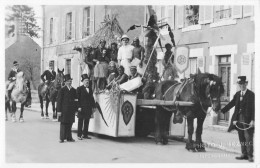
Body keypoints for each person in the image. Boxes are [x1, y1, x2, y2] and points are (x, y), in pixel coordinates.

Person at [221, 76, 255, 162]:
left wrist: (253, 120)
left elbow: (254, 108)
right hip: (238, 119)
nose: (241, 86)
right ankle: (244, 154)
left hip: (247, 119)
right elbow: (231, 103)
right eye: (240, 84)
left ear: (246, 84)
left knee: (248, 137)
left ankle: (250, 155)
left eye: (243, 84)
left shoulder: (251, 95)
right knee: (241, 137)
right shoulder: (237, 94)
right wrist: (222, 110)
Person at [57, 74, 78, 143]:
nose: (69, 82)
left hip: (71, 110)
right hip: (63, 110)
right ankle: (62, 138)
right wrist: (59, 111)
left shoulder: (74, 90)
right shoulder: (62, 90)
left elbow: (75, 100)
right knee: (63, 124)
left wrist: (76, 110)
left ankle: (69, 137)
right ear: (65, 82)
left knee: (70, 123)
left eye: (70, 81)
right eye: (68, 81)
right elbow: (59, 101)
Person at [76, 74, 96, 140]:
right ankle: (79, 135)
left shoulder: (90, 89)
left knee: (87, 121)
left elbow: (92, 98)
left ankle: (85, 135)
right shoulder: (79, 89)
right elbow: (77, 99)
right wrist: (78, 107)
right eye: (85, 80)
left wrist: (94, 106)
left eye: (88, 80)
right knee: (80, 121)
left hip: (88, 107)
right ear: (83, 81)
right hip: (81, 108)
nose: (87, 82)